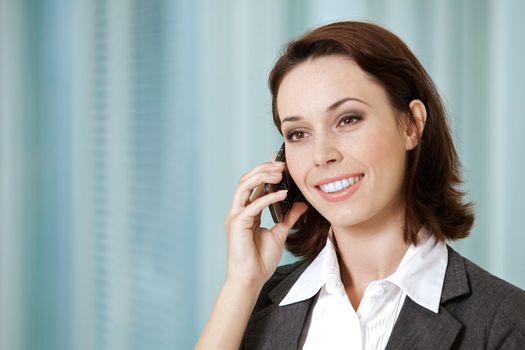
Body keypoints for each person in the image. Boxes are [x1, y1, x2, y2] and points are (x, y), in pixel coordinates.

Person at [195, 21, 525, 349]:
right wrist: (242, 282)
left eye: (348, 119)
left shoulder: (506, 323)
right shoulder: (252, 304)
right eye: (298, 134)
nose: (322, 155)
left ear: (411, 125)